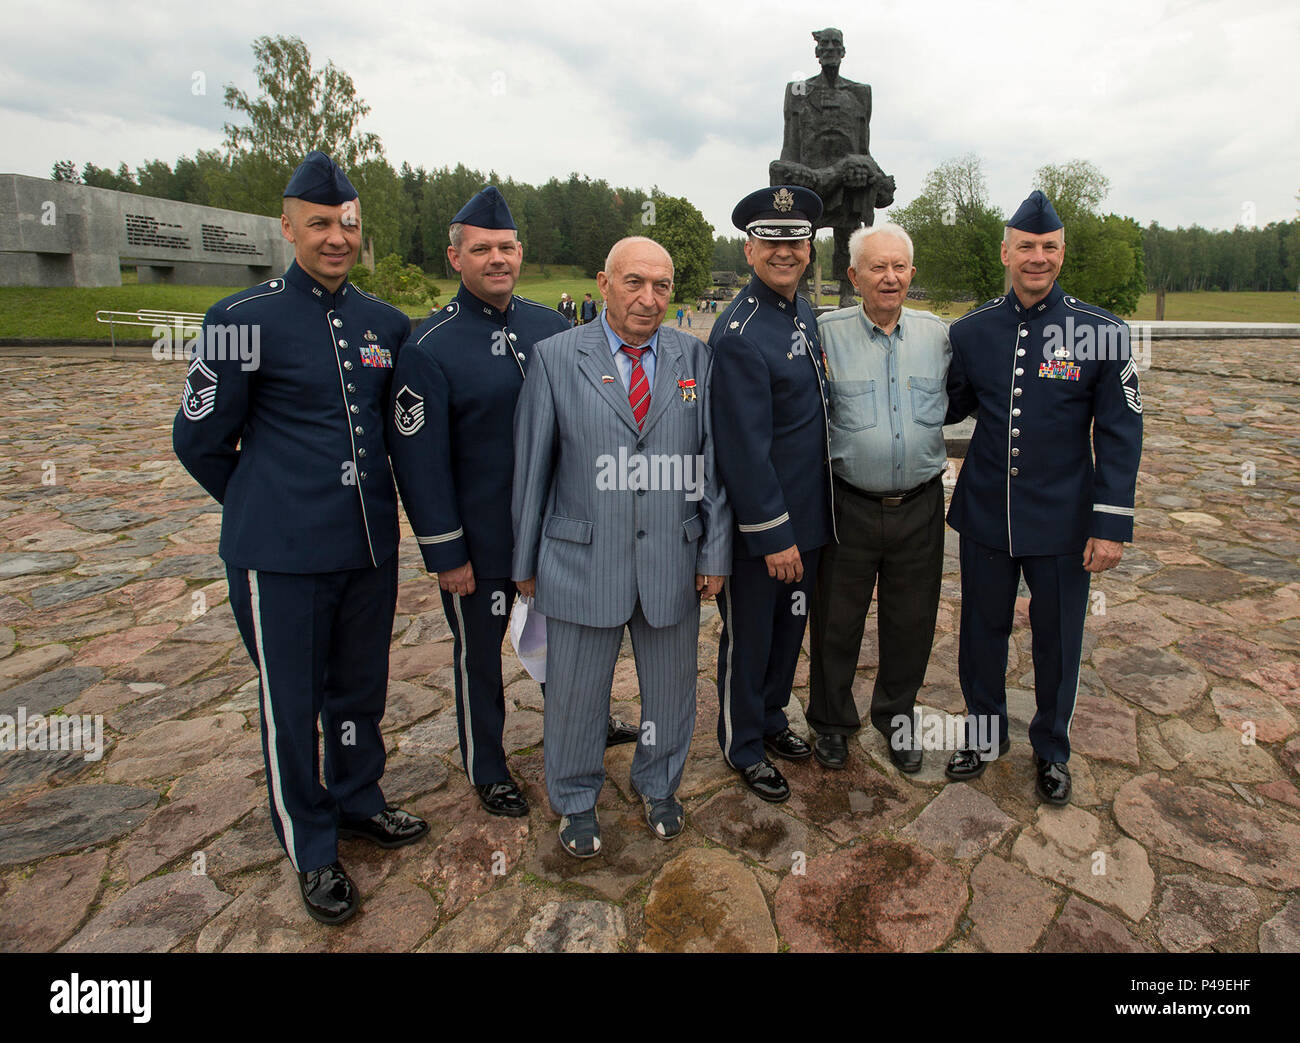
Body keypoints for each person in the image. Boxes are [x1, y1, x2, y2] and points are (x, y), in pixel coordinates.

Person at [173, 151, 427, 927]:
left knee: (360, 690)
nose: (336, 236)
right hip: (279, 557)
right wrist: (264, 506)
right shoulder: (240, 320)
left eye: (348, 223)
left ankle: (357, 799)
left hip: (366, 548)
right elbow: (199, 440)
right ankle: (311, 843)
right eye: (319, 223)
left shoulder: (384, 323)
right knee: (291, 704)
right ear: (287, 228)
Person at [388, 187, 637, 819]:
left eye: (505, 247)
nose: (496, 259)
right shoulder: (429, 345)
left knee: (576, 643)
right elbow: (421, 463)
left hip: (562, 533)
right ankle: (488, 764)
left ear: (519, 252)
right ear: (456, 257)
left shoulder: (552, 327)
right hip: (485, 539)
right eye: (481, 249)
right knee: (481, 656)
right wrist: (447, 551)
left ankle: (585, 725)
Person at [512, 236, 730, 857]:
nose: (649, 298)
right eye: (634, 282)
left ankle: (659, 784)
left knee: (670, 690)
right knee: (578, 693)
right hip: (582, 558)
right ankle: (576, 798)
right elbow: (534, 466)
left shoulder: (695, 358)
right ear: (603, 284)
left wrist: (714, 553)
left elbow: (711, 461)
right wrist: (524, 561)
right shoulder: (555, 357)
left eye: (661, 285)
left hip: (672, 559)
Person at [943, 190, 1143, 805]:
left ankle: (1052, 748)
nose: (1037, 258)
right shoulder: (971, 332)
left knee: (1059, 639)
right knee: (981, 630)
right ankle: (984, 733)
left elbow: (1119, 431)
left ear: (1062, 253)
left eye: (1048, 248)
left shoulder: (1102, 333)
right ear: (1006, 251)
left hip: (1064, 519)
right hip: (986, 513)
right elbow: (947, 406)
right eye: (1026, 247)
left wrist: (1109, 522)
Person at [807, 222, 949, 774]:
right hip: (849, 506)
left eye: (898, 267)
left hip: (919, 505)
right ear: (854, 275)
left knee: (911, 621)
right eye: (876, 267)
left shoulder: (938, 336)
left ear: (911, 273)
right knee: (835, 622)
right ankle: (832, 723)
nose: (889, 278)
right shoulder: (825, 334)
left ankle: (897, 719)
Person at [709, 186, 833, 803]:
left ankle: (774, 717)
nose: (785, 252)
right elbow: (742, 448)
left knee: (789, 632)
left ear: (808, 248)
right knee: (752, 636)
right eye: (772, 241)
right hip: (767, 527)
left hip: (809, 515)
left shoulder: (801, 313)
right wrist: (774, 533)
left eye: (795, 240)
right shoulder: (741, 331)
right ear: (750, 249)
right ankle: (742, 743)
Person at [769, 27, 896, 304]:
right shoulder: (799, 92)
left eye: (834, 44)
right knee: (802, 235)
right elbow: (790, 141)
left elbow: (863, 146)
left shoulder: (860, 93)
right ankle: (801, 290)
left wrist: (874, 175)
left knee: (848, 236)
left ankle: (847, 292)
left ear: (843, 51)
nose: (828, 49)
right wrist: (786, 180)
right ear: (816, 52)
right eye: (823, 44)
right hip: (808, 178)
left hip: (850, 181)